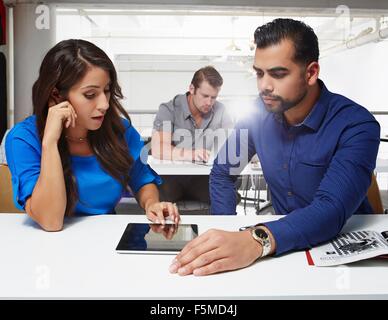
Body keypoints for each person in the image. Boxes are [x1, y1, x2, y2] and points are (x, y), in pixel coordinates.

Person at [169, 18, 380, 276]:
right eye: (259, 73)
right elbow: (224, 172)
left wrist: (255, 240)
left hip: (345, 252)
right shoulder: (257, 113)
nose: (264, 86)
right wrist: (228, 232)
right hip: (283, 250)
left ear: (311, 73)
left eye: (278, 74)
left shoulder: (357, 124)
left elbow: (331, 208)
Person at [5, 39, 180, 231]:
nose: (104, 104)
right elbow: (51, 221)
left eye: (106, 91)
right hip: (48, 248)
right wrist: (50, 142)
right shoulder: (23, 139)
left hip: (105, 239)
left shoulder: (120, 130)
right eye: (90, 95)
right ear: (56, 95)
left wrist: (151, 204)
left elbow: (142, 179)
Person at [151, 66, 233, 205]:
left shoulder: (220, 109)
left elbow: (232, 142)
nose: (209, 102)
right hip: (172, 178)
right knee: (158, 199)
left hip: (203, 178)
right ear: (192, 89)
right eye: (205, 96)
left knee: (229, 197)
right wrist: (192, 154)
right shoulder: (169, 109)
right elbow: (158, 149)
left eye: (214, 97)